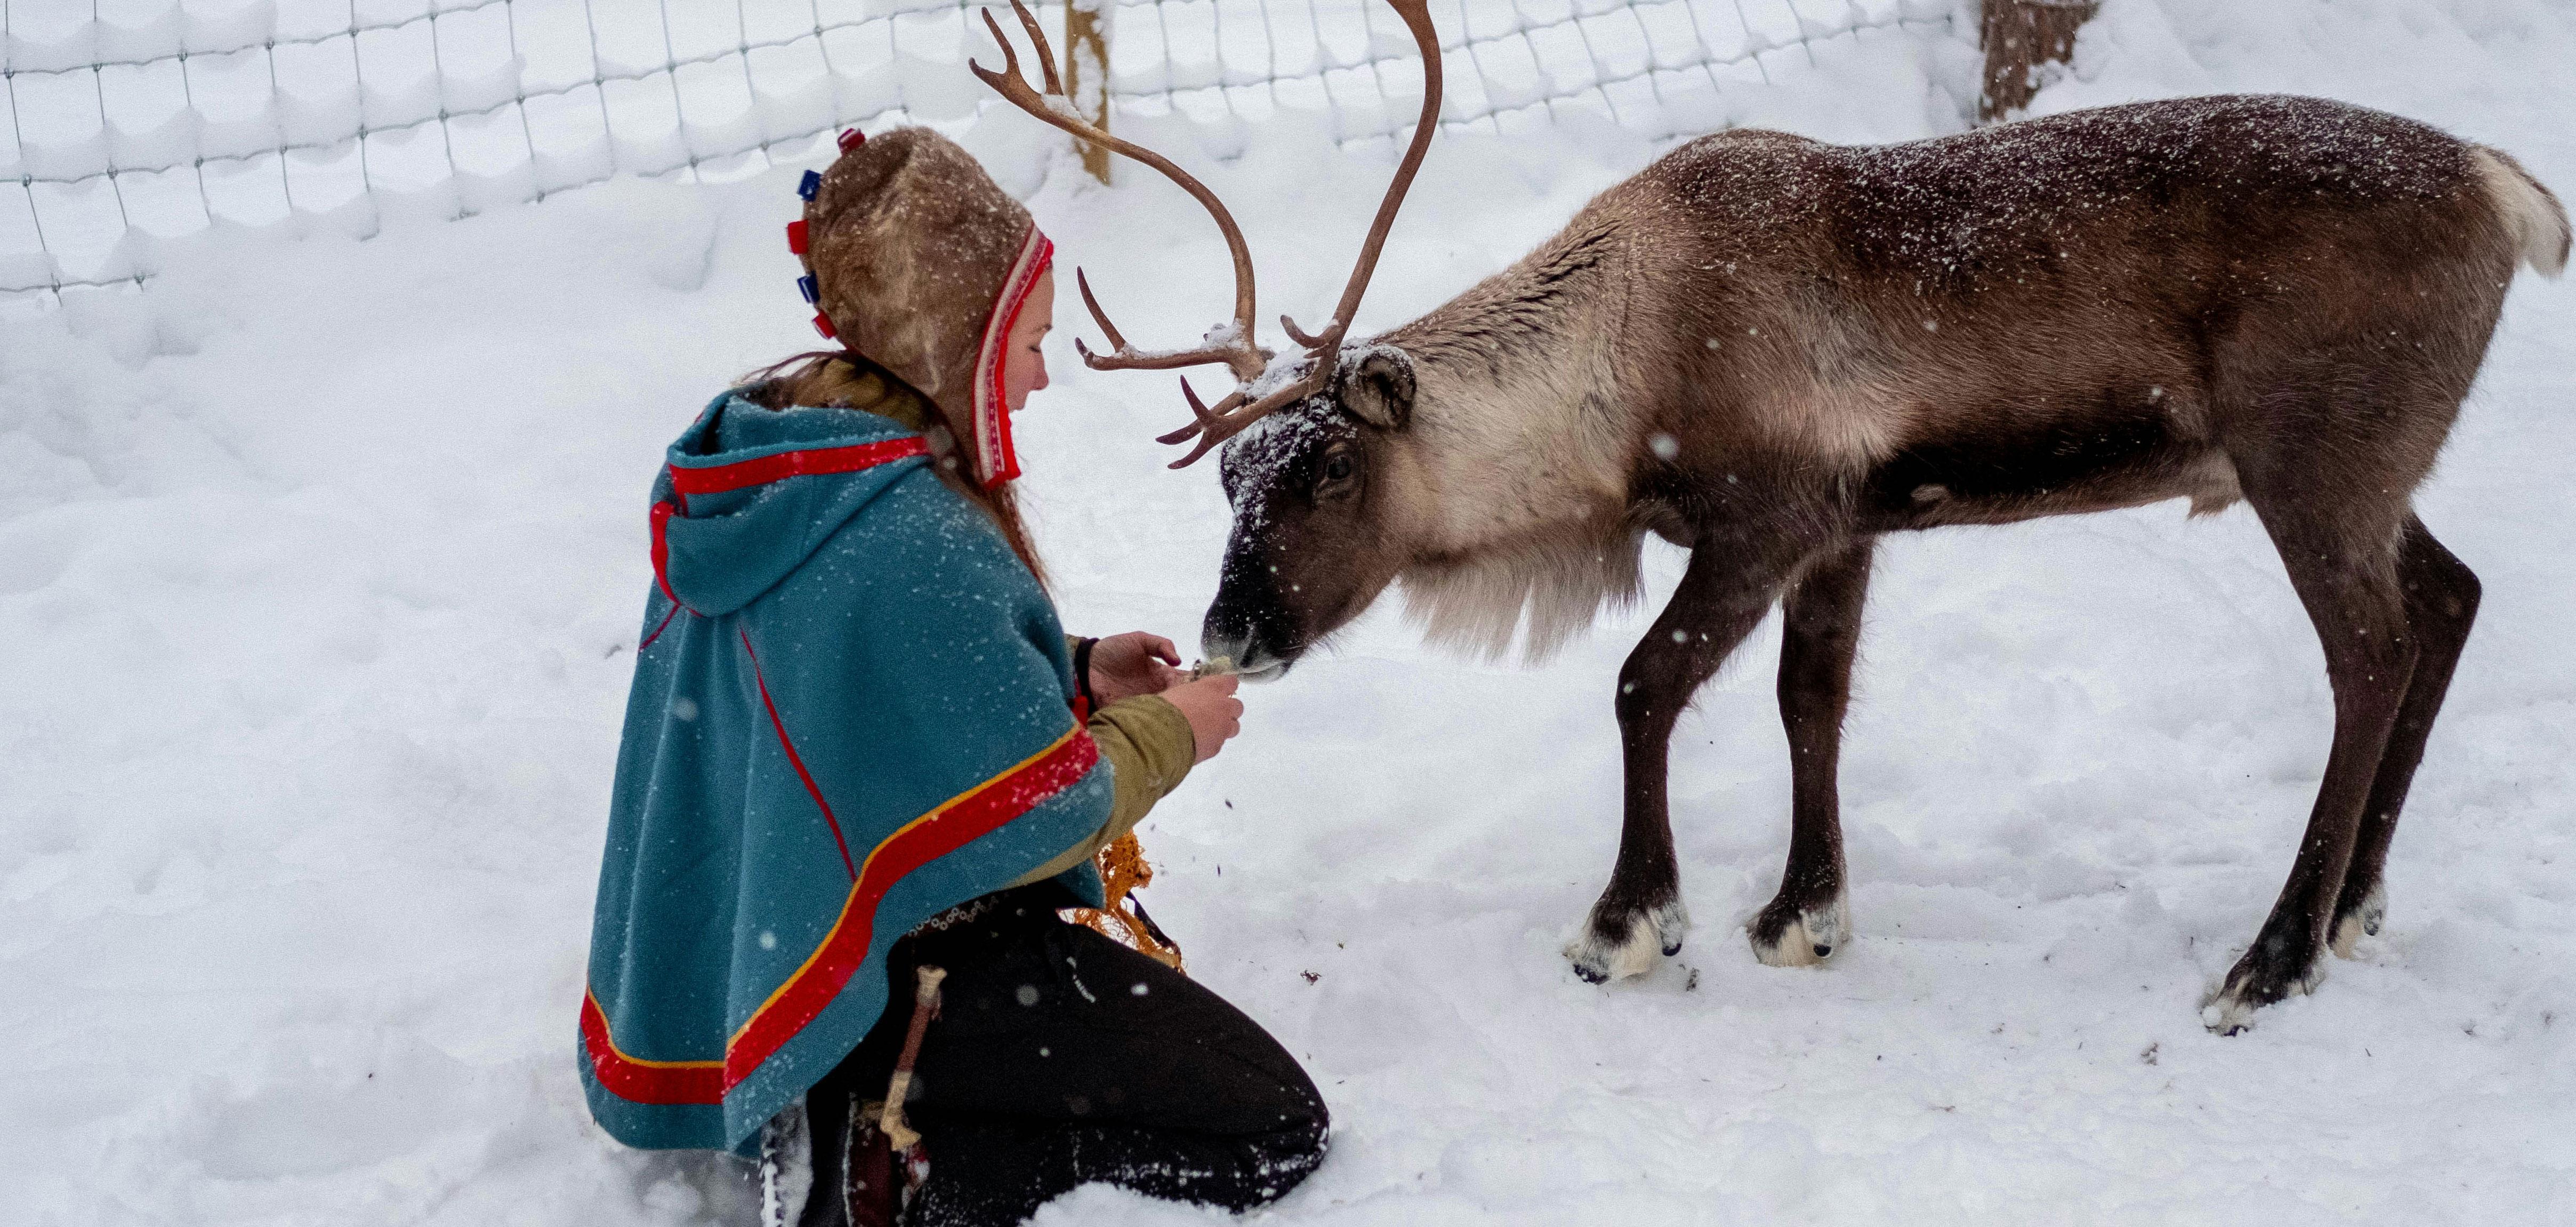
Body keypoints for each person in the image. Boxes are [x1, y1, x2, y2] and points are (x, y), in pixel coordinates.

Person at [578, 127, 1328, 1226]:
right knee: (1270, 1123)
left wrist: (1070, 669)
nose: (1035, 376)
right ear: (956, 342)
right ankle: (918, 1179)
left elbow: (854, 694)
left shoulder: (779, 466)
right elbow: (1051, 808)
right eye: (1026, 341)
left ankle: (858, 1096)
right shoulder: (913, 532)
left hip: (779, 943)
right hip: (913, 958)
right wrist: (1176, 728)